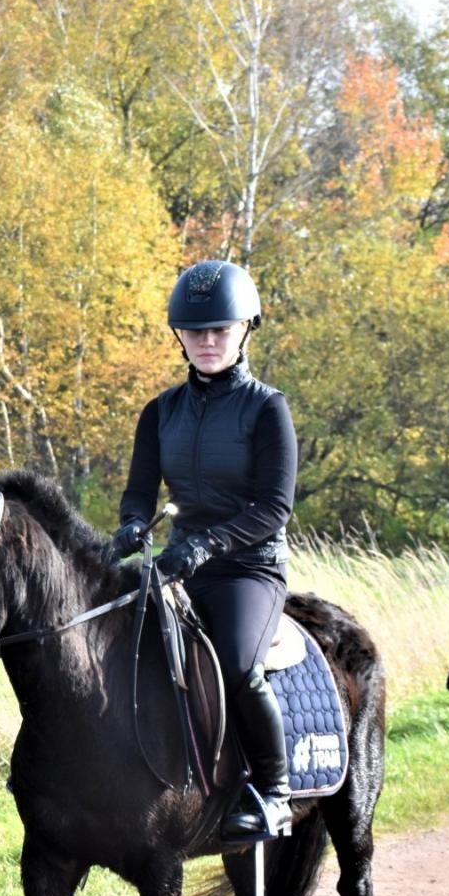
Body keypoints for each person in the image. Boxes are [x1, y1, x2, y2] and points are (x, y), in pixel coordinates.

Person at [112, 260, 298, 842]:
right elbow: (139, 493)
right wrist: (132, 526)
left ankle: (273, 792)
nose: (208, 341)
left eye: (220, 329)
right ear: (180, 337)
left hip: (248, 569)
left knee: (239, 668)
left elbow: (274, 507)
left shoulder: (267, 408)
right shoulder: (160, 411)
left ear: (246, 329)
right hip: (177, 566)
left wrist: (208, 544)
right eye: (195, 331)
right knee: (111, 653)